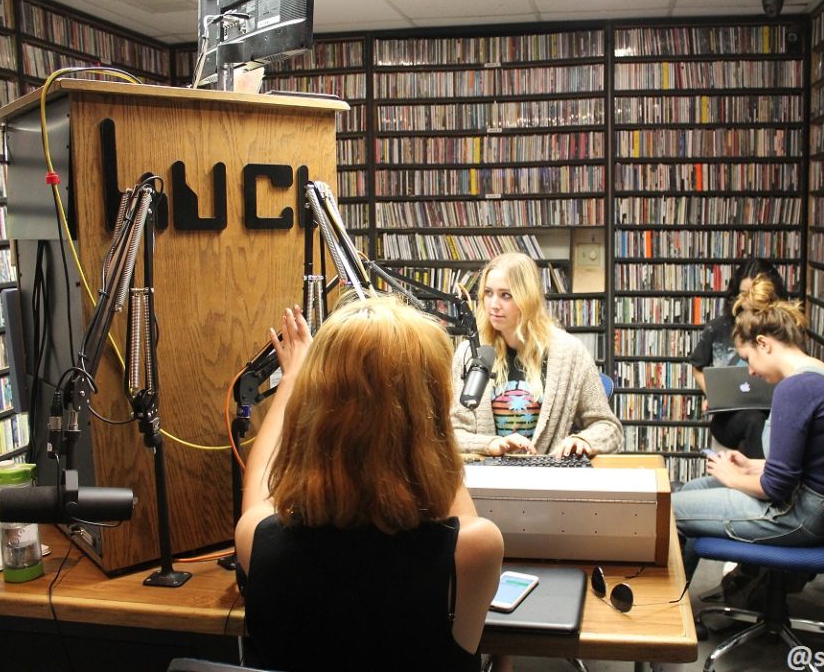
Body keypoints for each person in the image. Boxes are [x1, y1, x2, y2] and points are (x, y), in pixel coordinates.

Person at [236, 297, 504, 672]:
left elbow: (260, 483)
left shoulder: (256, 539)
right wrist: (428, 425)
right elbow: (448, 492)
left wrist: (292, 380)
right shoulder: (474, 551)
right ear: (427, 420)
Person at [673, 275, 824, 579]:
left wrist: (733, 477)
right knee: (693, 489)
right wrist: (753, 465)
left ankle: (667, 614)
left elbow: (776, 488)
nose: (749, 371)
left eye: (748, 359)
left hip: (799, 515)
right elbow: (810, 462)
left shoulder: (794, 390)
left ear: (763, 344)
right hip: (822, 508)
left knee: (665, 511)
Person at [450, 252, 622, 457]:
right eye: (488, 293)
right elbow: (451, 434)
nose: (493, 305)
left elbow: (609, 429)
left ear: (527, 298)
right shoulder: (469, 354)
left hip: (549, 482)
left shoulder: (570, 353)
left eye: (506, 295)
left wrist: (582, 440)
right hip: (489, 481)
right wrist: (491, 444)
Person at [688, 258, 790, 458]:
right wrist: (713, 394)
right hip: (729, 417)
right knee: (753, 421)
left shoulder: (780, 332)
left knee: (759, 424)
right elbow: (697, 365)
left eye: (756, 294)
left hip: (772, 414)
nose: (749, 301)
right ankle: (760, 482)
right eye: (744, 294)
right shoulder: (718, 328)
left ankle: (746, 481)